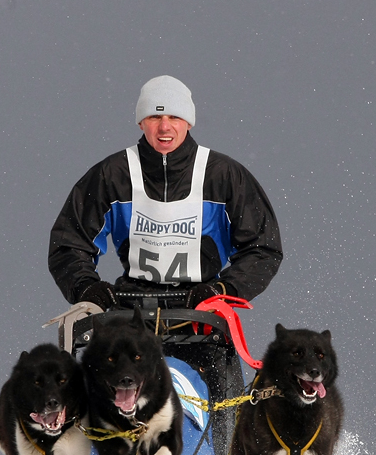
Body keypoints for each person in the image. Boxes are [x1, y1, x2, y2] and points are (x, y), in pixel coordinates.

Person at [48, 75, 282, 312]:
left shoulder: (224, 175)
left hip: (204, 308)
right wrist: (86, 287)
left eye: (174, 117)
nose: (164, 127)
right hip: (131, 308)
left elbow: (262, 247)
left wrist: (224, 290)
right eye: (154, 116)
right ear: (141, 122)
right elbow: (69, 242)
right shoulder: (111, 175)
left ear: (189, 122)